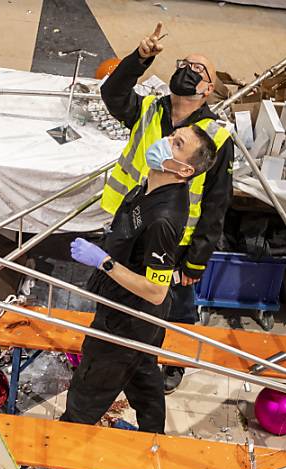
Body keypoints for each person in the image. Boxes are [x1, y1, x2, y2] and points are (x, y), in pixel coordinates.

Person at [99, 23, 234, 394]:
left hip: (175, 237)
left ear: (207, 89)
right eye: (184, 63)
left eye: (198, 69)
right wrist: (140, 57)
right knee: (126, 286)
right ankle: (121, 345)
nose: (188, 70)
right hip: (130, 223)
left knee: (176, 304)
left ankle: (172, 362)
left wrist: (197, 259)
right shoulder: (147, 107)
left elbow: (217, 203)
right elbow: (111, 93)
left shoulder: (215, 137)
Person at [62, 125, 219, 433]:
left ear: (185, 169)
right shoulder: (150, 186)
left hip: (130, 318)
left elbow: (157, 291)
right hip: (131, 313)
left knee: (91, 385)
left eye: (176, 144)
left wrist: (103, 261)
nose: (163, 142)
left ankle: (62, 441)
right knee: (142, 375)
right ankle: (154, 438)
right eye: (172, 135)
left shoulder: (164, 219)